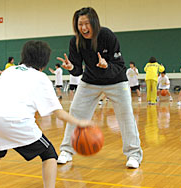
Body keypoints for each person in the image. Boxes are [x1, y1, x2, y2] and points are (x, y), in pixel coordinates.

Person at [0, 41, 93, 188]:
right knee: (49, 155)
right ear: (43, 62)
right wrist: (80, 122)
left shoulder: (10, 71)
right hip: (13, 120)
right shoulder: (41, 78)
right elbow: (59, 113)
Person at [56, 7, 143, 168]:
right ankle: (66, 151)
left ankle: (134, 155)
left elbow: (119, 64)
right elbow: (78, 70)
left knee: (126, 116)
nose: (83, 28)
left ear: (94, 23)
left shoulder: (107, 35)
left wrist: (106, 66)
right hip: (90, 81)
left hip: (117, 81)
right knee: (75, 112)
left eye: (86, 23)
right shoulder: (75, 41)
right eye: (80, 24)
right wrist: (71, 68)